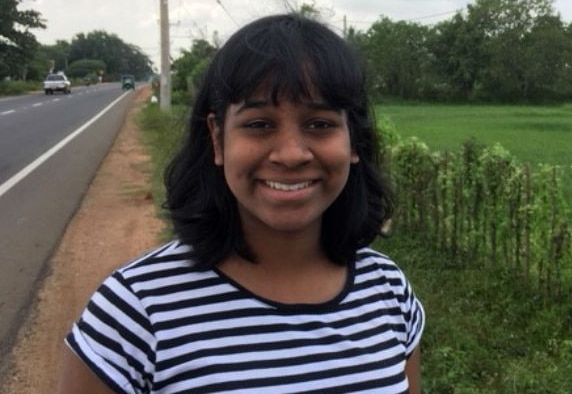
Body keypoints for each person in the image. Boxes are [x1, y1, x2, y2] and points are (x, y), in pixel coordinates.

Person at [56, 13, 424, 394]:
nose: (291, 154)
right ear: (218, 140)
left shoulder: (388, 292)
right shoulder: (134, 312)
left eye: (319, 124)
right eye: (259, 124)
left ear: (353, 141)